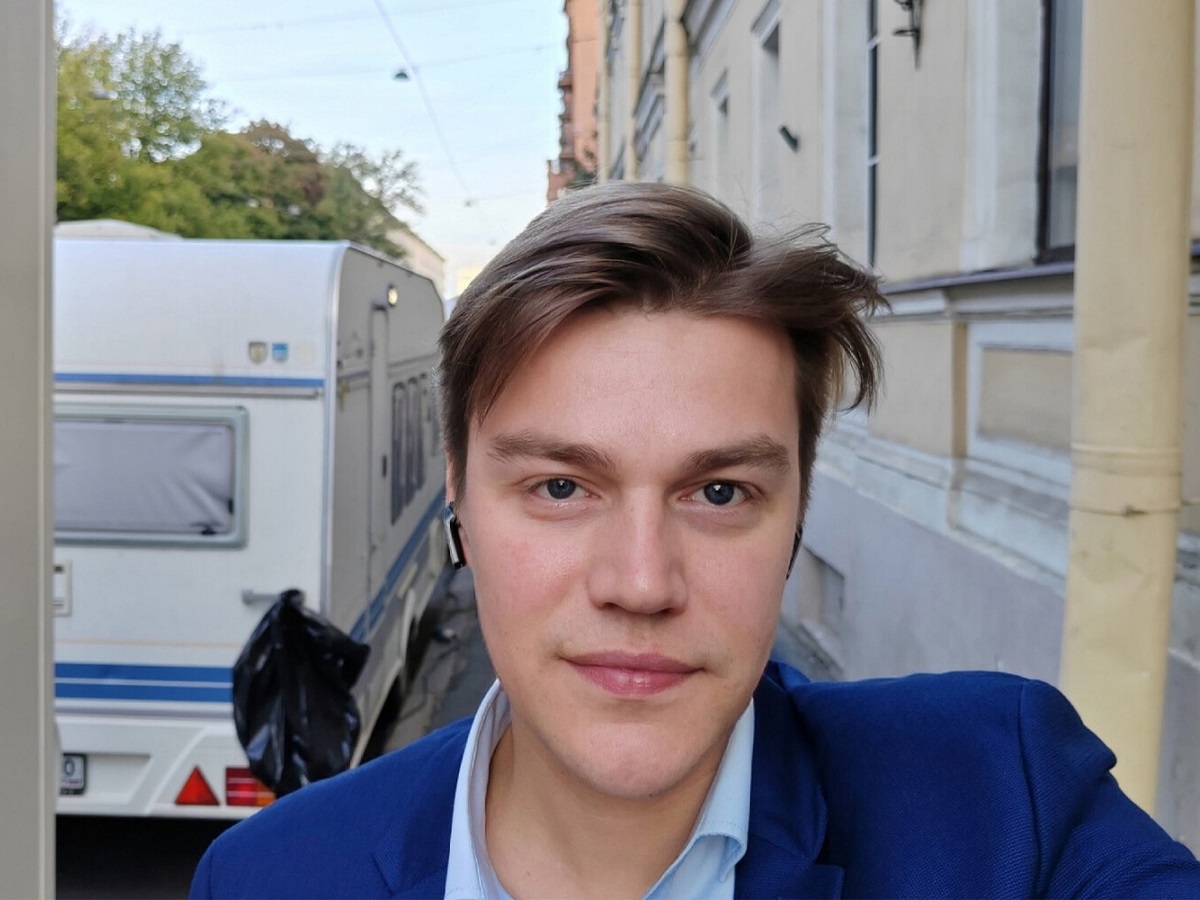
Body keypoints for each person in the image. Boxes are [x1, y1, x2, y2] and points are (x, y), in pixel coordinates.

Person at [191, 181, 1200, 898]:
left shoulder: (1002, 801)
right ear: (456, 492)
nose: (641, 582)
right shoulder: (272, 876)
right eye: (560, 486)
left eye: (718, 492)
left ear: (798, 505)